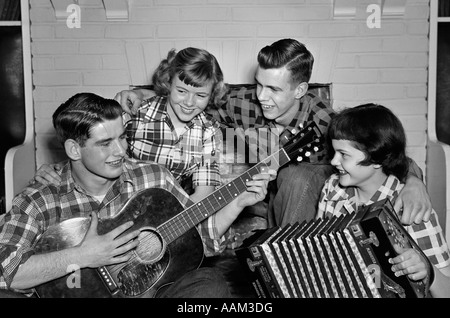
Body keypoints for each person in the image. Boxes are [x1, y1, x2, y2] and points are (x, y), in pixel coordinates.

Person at [113, 38, 432, 227]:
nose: (261, 96)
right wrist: (143, 98)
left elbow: (378, 145)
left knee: (298, 176)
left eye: (274, 89)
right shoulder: (243, 103)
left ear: (301, 90)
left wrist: (414, 181)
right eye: (259, 84)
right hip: (258, 196)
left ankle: (287, 259)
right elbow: (190, 101)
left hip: (309, 194)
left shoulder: (323, 117)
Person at [0, 92, 275, 298]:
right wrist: (82, 256)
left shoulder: (154, 176)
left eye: (122, 137)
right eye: (106, 143)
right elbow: (6, 272)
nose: (121, 151)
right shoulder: (40, 199)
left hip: (155, 293)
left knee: (210, 284)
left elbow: (201, 237)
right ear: (74, 150)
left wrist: (238, 202)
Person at [33, 47, 228, 204]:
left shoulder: (208, 132)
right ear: (168, 82)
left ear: (212, 94)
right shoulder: (139, 112)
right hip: (117, 199)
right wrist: (57, 170)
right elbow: (93, 145)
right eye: (182, 91)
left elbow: (202, 194)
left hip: (167, 208)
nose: (189, 102)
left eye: (201, 95)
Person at [316, 103, 450, 298]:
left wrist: (427, 268)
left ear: (377, 159)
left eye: (344, 155)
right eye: (335, 152)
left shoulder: (412, 208)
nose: (334, 161)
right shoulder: (332, 189)